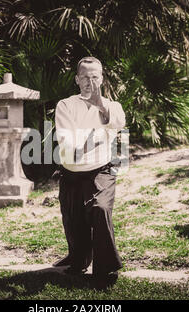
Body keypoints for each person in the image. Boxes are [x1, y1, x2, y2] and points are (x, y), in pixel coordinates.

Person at [53, 56, 126, 286]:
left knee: (100, 209)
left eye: (94, 77)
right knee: (73, 220)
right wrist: (98, 138)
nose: (89, 81)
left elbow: (117, 123)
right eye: (85, 77)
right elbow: (71, 147)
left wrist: (100, 105)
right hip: (71, 171)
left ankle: (105, 270)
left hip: (102, 169)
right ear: (76, 79)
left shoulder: (112, 106)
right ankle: (79, 259)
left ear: (102, 79)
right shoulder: (65, 105)